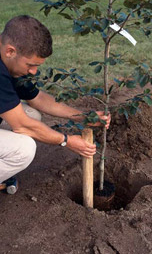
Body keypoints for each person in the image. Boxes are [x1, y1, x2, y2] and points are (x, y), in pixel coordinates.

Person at [0, 15, 111, 192]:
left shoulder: (12, 64)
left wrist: (82, 117)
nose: (34, 72)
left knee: (32, 115)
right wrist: (66, 141)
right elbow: (22, 126)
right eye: (31, 65)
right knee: (23, 149)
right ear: (10, 51)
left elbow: (38, 99)